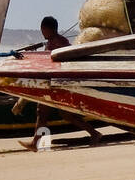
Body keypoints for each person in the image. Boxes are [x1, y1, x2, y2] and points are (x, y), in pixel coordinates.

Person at [19, 16, 102, 151]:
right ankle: (95, 133)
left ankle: (35, 143)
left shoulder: (56, 43)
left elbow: (55, 63)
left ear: (48, 29)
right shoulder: (56, 41)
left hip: (58, 84)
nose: (42, 32)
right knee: (64, 114)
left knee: (43, 111)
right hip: (57, 83)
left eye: (43, 30)